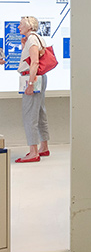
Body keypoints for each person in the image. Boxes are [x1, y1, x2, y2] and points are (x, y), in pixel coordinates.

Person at [15, 16, 50, 163]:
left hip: (33, 79)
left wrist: (30, 83)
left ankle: (33, 152)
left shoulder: (32, 39)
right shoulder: (36, 38)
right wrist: (24, 47)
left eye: (21, 24)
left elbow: (34, 62)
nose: (18, 27)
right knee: (40, 112)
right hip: (39, 78)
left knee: (30, 115)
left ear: (29, 26)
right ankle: (43, 147)